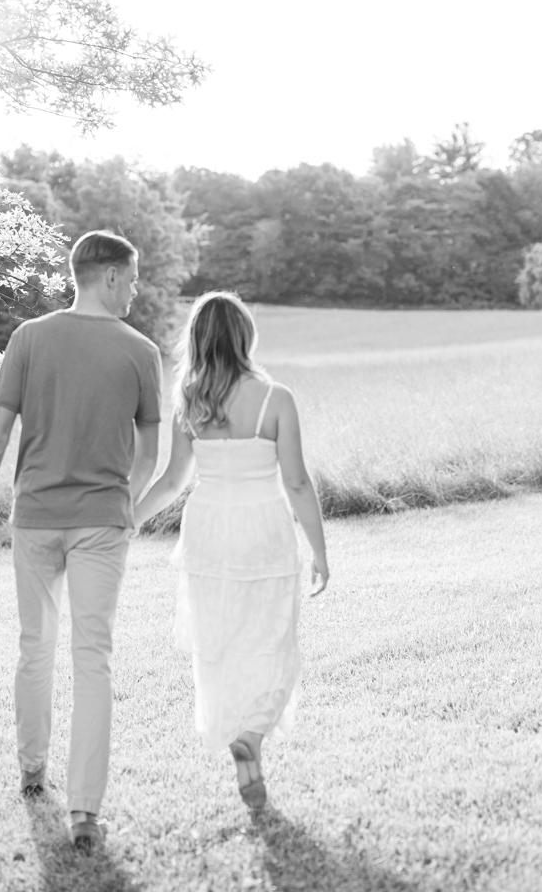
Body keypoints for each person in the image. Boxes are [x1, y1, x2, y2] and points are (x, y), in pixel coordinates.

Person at [0, 230, 162, 853]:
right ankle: (84, 813)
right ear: (108, 277)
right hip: (102, 522)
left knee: (34, 645)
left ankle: (30, 768)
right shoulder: (142, 350)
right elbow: (152, 450)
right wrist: (125, 504)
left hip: (36, 519)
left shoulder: (28, 337)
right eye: (132, 278)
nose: (136, 289)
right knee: (92, 657)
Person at [134, 291, 329, 809]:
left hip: (210, 531)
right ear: (245, 335)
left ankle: (240, 739)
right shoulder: (275, 398)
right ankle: (254, 734)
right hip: (264, 528)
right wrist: (321, 551)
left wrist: (127, 517)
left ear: (197, 339)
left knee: (219, 644)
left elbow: (174, 480)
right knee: (274, 639)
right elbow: (299, 484)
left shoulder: (190, 400)